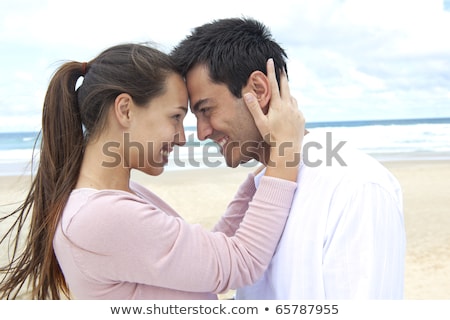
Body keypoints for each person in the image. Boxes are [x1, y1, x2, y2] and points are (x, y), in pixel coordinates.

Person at [0, 43, 305, 299]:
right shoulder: (101, 216)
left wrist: (259, 179)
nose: (183, 137)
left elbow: (210, 258)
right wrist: (285, 153)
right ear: (125, 110)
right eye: (175, 117)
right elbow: (240, 262)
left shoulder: (120, 198)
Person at [171, 17, 406, 299]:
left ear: (258, 91)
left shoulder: (355, 186)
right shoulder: (264, 188)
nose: (202, 131)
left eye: (206, 110)